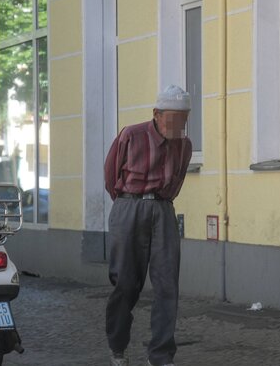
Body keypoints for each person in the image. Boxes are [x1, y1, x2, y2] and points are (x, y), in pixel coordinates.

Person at [104, 85, 193, 366]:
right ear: (156, 114)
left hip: (163, 211)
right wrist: (130, 204)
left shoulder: (185, 145)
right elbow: (110, 175)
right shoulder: (131, 135)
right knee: (126, 283)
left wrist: (159, 205)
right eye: (173, 118)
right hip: (129, 206)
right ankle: (117, 349)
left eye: (184, 118)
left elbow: (177, 181)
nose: (179, 124)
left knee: (168, 286)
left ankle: (160, 356)